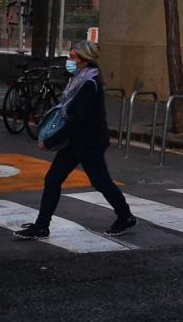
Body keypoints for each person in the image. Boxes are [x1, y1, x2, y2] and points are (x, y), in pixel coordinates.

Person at [14, 40, 136, 240]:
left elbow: (77, 120)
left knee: (101, 182)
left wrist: (50, 141)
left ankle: (125, 216)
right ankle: (42, 226)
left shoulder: (89, 83)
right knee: (53, 179)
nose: (68, 61)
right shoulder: (79, 78)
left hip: (89, 141)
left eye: (72, 57)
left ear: (83, 59)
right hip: (76, 140)